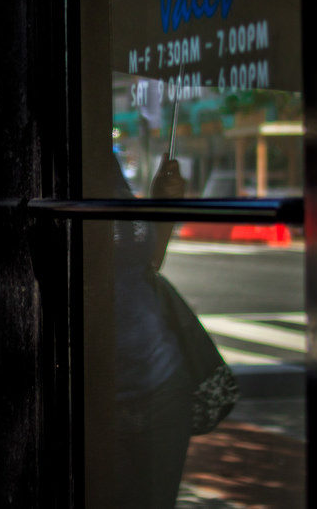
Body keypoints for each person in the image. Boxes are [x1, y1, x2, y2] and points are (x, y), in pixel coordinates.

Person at [112, 152, 192, 507]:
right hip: (93, 390)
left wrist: (165, 203)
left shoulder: (104, 167)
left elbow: (148, 261)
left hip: (159, 384)